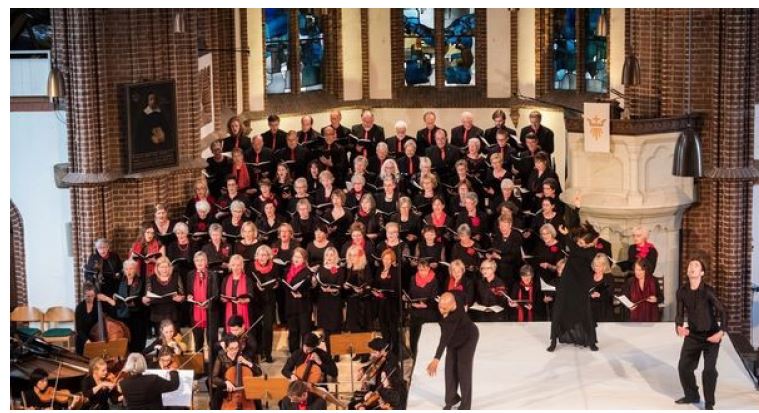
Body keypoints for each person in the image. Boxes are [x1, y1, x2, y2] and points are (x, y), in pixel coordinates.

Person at [675, 259, 728, 411]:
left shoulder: (708, 291)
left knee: (709, 370)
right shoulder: (682, 291)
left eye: (696, 265)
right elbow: (679, 314)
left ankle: (709, 403)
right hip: (693, 335)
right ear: (687, 271)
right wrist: (678, 327)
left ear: (702, 273)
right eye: (690, 265)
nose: (692, 267)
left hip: (711, 336)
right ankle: (692, 395)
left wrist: (721, 332)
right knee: (684, 367)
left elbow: (723, 311)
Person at [547, 223, 600, 352]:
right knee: (559, 310)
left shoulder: (591, 252)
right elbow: (574, 244)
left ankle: (591, 341)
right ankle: (553, 340)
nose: (579, 243)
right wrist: (569, 234)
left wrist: (567, 236)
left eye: (581, 242)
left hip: (580, 285)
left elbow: (576, 250)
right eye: (579, 241)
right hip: (566, 283)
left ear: (589, 244)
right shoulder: (577, 247)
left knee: (584, 311)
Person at [426, 292, 479, 410]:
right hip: (453, 339)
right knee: (449, 369)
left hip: (468, 339)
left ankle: (465, 405)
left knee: (463, 370)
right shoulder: (456, 298)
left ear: (452, 304)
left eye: (444, 308)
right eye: (440, 306)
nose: (441, 310)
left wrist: (436, 359)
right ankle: (451, 399)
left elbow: (444, 339)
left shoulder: (453, 318)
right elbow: (460, 294)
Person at [75, 282, 101, 355]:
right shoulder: (80, 308)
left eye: (92, 296)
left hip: (96, 336)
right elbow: (79, 330)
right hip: (83, 337)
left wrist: (107, 299)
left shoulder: (98, 305)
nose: (91, 298)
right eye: (88, 296)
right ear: (84, 295)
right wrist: (87, 340)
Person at [589, 253, 615, 323]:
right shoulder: (589, 275)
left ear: (604, 266)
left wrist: (600, 295)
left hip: (603, 309)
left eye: (599, 266)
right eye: (595, 265)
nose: (596, 268)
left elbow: (610, 294)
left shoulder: (609, 277)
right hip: (590, 309)